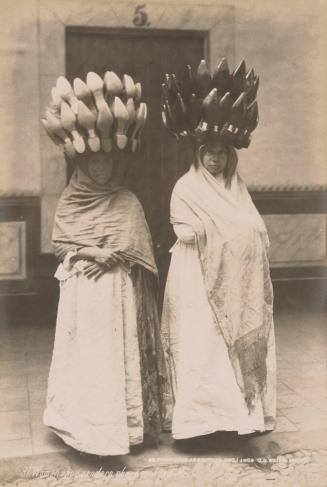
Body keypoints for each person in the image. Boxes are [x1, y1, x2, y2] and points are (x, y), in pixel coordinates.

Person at [42, 71, 168, 456]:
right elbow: (62, 246)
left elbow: (140, 253)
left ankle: (123, 427)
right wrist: (91, 252)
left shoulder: (126, 200)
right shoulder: (69, 200)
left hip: (117, 293)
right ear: (82, 163)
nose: (101, 169)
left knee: (116, 357)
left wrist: (118, 256)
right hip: (83, 295)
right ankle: (82, 425)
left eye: (107, 162)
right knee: (87, 357)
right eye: (94, 162)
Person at [160, 58, 276, 440]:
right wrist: (209, 231)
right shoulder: (185, 188)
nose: (214, 158)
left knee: (228, 350)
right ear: (197, 153)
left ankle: (238, 418)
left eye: (221, 152)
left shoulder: (237, 190)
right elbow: (184, 230)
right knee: (201, 345)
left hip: (238, 285)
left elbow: (256, 230)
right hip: (196, 281)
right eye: (208, 151)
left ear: (231, 155)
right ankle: (199, 424)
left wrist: (242, 237)